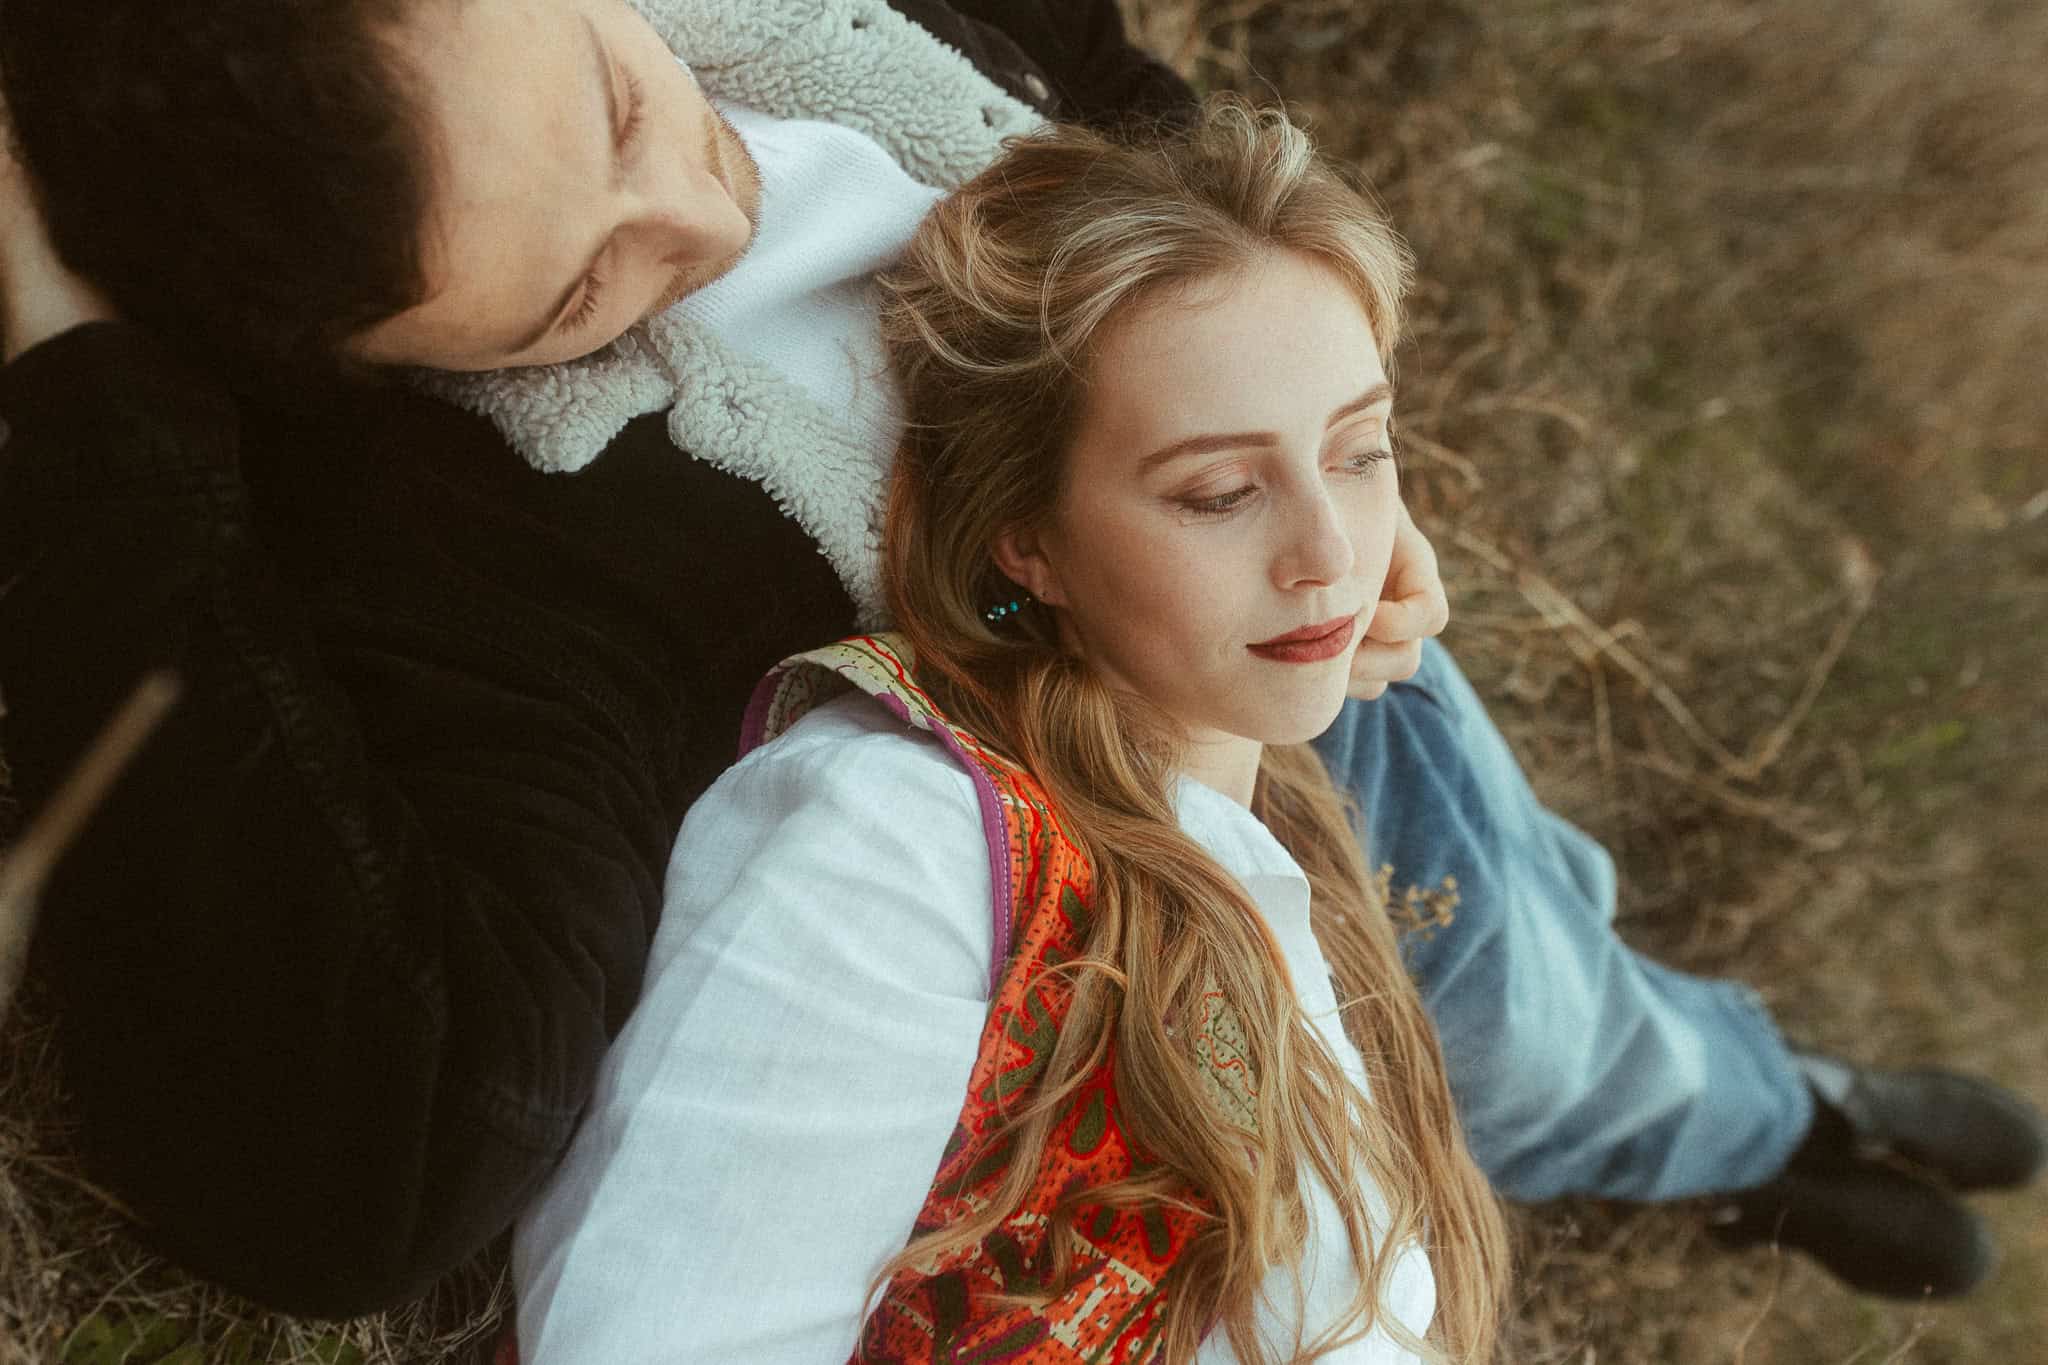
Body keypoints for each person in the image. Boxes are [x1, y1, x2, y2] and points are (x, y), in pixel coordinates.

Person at [0, 0, 2037, 1317]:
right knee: (1501, 1025)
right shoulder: (502, 553)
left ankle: (1757, 1088)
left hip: (1310, 570)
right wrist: (78, 387)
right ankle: (1759, 1129)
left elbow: (1096, 85)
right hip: (1200, 814)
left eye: (622, 104)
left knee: (1541, 892)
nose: (686, 221)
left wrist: (1309, 411)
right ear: (355, 371)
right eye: (572, 292)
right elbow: (367, 1175)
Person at [516, 100, 1509, 1364]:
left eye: (1359, 453)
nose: (1328, 556)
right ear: (1023, 537)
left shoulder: (1281, 860)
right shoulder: (899, 841)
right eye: (1219, 491)